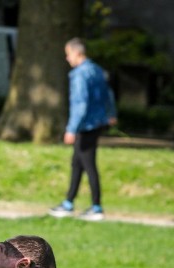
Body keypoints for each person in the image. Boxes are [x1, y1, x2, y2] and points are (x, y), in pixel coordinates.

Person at [49, 37, 117, 222]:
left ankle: (96, 207)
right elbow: (108, 94)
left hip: (85, 126)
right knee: (77, 163)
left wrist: (71, 129)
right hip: (97, 124)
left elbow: (80, 103)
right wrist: (111, 114)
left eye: (68, 54)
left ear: (77, 53)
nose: (67, 58)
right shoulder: (96, 69)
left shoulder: (79, 74)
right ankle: (69, 202)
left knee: (88, 165)